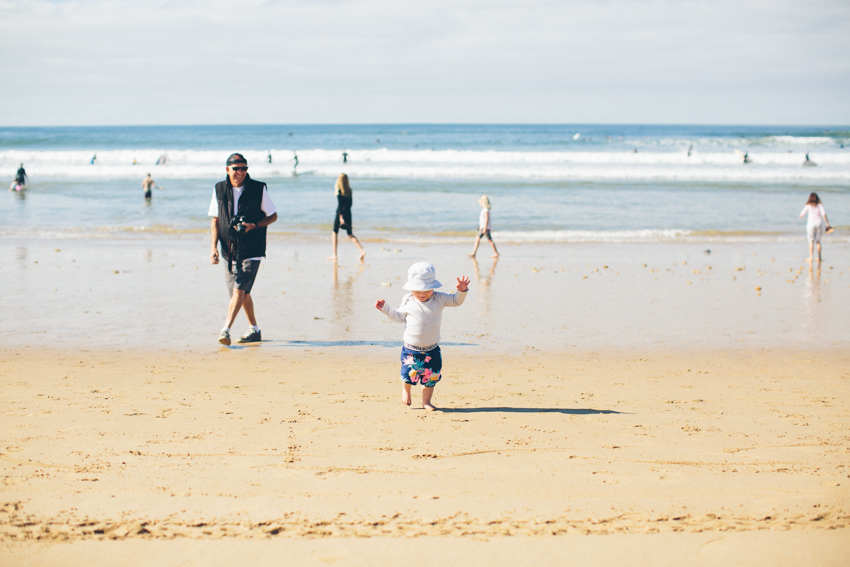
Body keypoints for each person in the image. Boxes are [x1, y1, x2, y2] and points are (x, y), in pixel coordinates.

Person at [375, 262, 470, 411]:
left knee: (430, 379)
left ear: (433, 287)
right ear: (411, 287)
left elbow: (456, 301)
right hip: (411, 349)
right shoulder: (408, 299)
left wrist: (462, 291)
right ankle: (406, 391)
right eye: (417, 290)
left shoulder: (440, 298)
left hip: (432, 349)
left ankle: (426, 402)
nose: (422, 293)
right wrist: (385, 308)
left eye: (426, 289)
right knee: (408, 374)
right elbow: (399, 317)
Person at [209, 153, 278, 345]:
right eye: (236, 168)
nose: (240, 172)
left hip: (253, 247)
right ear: (227, 170)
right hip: (228, 249)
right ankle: (254, 330)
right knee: (240, 293)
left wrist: (254, 225)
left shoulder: (258, 188)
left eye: (244, 168)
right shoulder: (219, 189)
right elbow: (215, 220)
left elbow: (273, 216)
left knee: (239, 290)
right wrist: (213, 247)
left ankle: (226, 330)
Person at [327, 174, 366, 260]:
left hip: (340, 213)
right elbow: (350, 204)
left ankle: (334, 254)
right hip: (348, 213)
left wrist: (341, 217)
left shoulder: (339, 191)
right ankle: (361, 250)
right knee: (350, 234)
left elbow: (340, 205)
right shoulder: (349, 191)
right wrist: (346, 215)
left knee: (335, 232)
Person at [799, 193, 831, 263]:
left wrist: (800, 216)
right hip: (819, 223)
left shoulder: (808, 205)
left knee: (811, 240)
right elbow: (823, 214)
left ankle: (811, 257)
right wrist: (827, 223)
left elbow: (801, 215)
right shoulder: (820, 205)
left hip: (811, 223)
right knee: (818, 241)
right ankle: (819, 257)